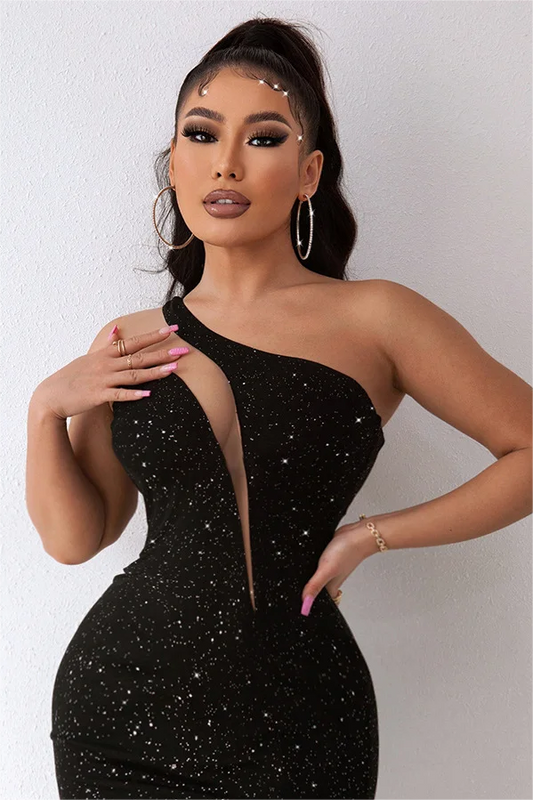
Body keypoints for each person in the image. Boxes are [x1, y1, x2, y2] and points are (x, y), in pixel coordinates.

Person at [25, 16, 533, 800]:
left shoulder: (378, 318)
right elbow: (75, 539)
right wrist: (43, 412)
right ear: (174, 163)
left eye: (262, 139)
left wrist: (370, 536)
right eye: (201, 135)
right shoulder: (130, 340)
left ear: (308, 172)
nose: (225, 162)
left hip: (299, 719)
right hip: (116, 712)